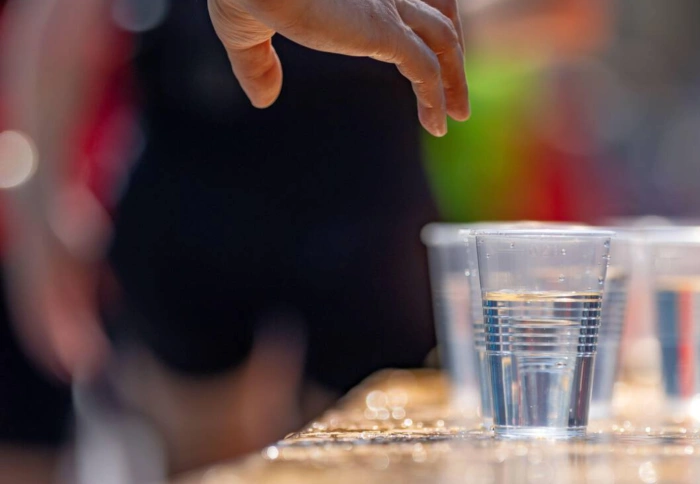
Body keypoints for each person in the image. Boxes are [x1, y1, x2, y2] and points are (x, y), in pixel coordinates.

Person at [1, 0, 469, 477]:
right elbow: (60, 15)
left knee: (370, 451)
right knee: (207, 456)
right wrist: (40, 213)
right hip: (201, 152)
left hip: (361, 172)